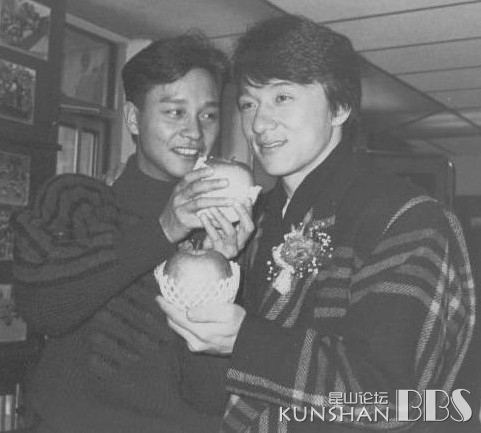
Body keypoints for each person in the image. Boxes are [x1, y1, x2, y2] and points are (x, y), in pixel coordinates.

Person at [158, 15, 476, 432]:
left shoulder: (405, 216)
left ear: (339, 107)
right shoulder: (255, 223)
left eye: (282, 97)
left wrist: (245, 340)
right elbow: (203, 397)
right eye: (249, 104)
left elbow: (391, 400)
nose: (259, 124)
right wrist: (218, 275)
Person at [12, 33, 253, 433]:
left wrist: (219, 270)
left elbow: (208, 397)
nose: (194, 132)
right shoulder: (76, 200)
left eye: (208, 116)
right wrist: (163, 229)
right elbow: (44, 311)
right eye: (175, 112)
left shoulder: (226, 233)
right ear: (134, 119)